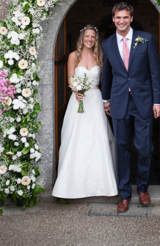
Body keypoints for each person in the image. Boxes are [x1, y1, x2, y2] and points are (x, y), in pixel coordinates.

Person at [102, 2, 160, 213]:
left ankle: (143, 188)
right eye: (118, 17)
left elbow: (155, 72)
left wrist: (157, 101)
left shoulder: (146, 39)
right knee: (122, 148)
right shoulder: (107, 43)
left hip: (144, 102)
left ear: (131, 18)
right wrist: (105, 100)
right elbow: (107, 75)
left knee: (145, 147)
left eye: (125, 17)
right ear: (113, 19)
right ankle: (124, 194)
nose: (121, 21)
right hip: (119, 103)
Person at [52, 24, 118, 199]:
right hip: (79, 101)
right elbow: (70, 78)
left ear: (96, 40)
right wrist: (75, 90)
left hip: (95, 100)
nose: (90, 40)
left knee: (97, 138)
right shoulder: (73, 56)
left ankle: (101, 184)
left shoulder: (100, 56)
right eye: (87, 36)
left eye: (93, 37)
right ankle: (72, 185)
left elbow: (107, 78)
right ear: (82, 38)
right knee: (77, 138)